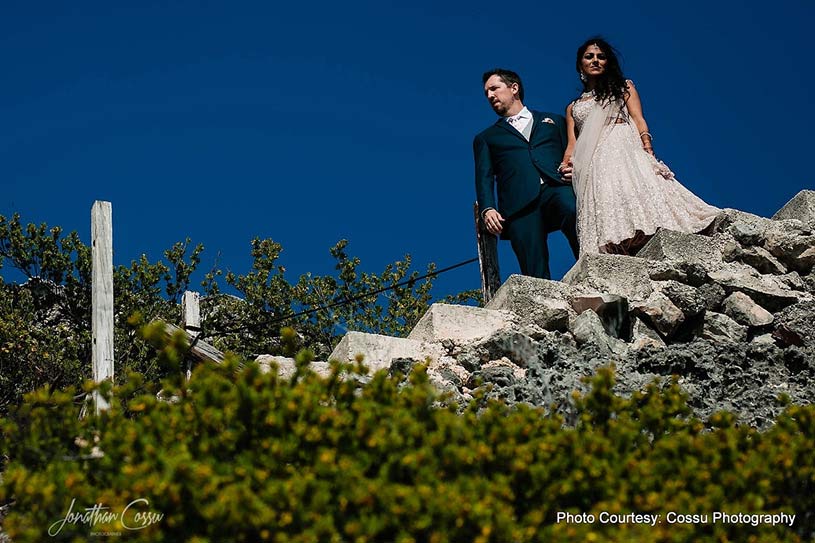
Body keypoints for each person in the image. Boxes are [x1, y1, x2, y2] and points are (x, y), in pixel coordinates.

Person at [563, 38, 719, 255]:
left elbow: (638, 119)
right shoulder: (573, 107)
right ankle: (618, 242)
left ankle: (646, 232)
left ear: (608, 62)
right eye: (589, 57)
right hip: (593, 159)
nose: (596, 61)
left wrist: (647, 147)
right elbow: (573, 143)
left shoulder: (623, 87)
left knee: (632, 186)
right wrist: (565, 164)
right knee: (608, 194)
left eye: (601, 57)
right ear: (580, 65)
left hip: (621, 142)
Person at [474, 68, 579, 280]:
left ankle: (592, 268)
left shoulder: (554, 121)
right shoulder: (486, 138)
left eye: (494, 88)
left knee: (574, 211)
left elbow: (574, 150)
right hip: (518, 204)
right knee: (533, 268)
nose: (490, 95)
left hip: (556, 186)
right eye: (486, 93)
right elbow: (483, 177)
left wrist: (575, 169)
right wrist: (487, 208)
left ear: (514, 88)